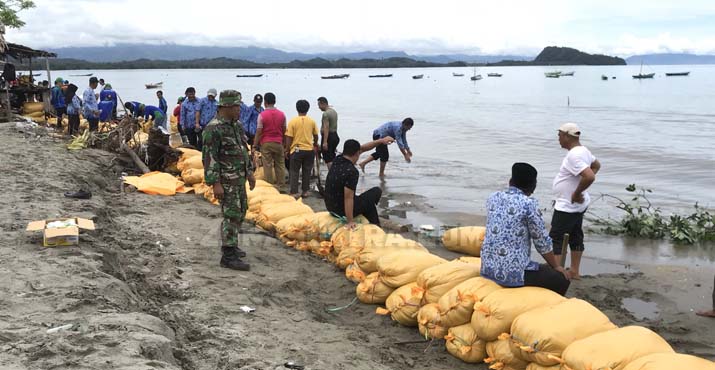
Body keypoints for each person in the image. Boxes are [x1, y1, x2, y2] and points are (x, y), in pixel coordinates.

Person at [480, 163, 571, 296]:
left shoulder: (493, 198)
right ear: (533, 186)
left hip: (487, 269)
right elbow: (542, 242)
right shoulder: (529, 205)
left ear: (510, 181)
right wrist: (557, 267)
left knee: (541, 268)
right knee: (561, 279)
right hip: (512, 274)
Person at [202, 90, 256, 271]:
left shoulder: (236, 125)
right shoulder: (213, 129)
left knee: (241, 211)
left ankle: (232, 244)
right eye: (236, 106)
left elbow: (243, 149)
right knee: (231, 215)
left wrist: (249, 173)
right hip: (226, 180)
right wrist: (215, 183)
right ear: (226, 106)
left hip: (239, 178)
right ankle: (228, 254)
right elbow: (209, 158)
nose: (239, 109)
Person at [550, 123, 601, 279]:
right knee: (575, 234)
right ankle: (574, 270)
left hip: (568, 206)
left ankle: (557, 273)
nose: (558, 139)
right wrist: (580, 187)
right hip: (576, 205)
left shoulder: (574, 155)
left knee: (556, 238)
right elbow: (596, 165)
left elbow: (590, 175)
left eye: (559, 135)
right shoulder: (583, 150)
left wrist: (577, 192)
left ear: (566, 136)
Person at [324, 137, 395, 227]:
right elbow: (348, 198)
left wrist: (381, 141)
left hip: (330, 206)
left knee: (367, 202)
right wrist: (350, 221)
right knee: (376, 191)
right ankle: (375, 225)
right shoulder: (352, 171)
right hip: (340, 210)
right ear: (357, 153)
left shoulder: (337, 159)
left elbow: (363, 148)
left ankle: (375, 224)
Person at [285, 99, 318, 198]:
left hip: (297, 150)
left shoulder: (293, 121)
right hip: (309, 150)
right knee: (306, 171)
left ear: (297, 108)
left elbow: (289, 137)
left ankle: (294, 192)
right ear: (307, 109)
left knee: (294, 171)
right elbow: (316, 135)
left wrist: (287, 149)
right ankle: (305, 191)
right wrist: (315, 144)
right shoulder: (312, 121)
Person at [253, 92, 286, 188]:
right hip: (278, 142)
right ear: (275, 101)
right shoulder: (282, 114)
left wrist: (255, 145)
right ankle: (281, 185)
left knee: (267, 165)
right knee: (280, 164)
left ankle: (269, 185)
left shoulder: (262, 115)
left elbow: (259, 131)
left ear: (265, 102)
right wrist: (284, 143)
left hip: (266, 143)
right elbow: (284, 130)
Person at [317, 97, 339, 169]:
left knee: (328, 158)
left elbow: (326, 127)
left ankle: (332, 175)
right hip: (335, 136)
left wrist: (325, 142)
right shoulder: (334, 112)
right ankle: (335, 172)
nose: (319, 107)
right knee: (332, 156)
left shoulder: (326, 114)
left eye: (319, 105)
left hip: (329, 137)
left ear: (323, 104)